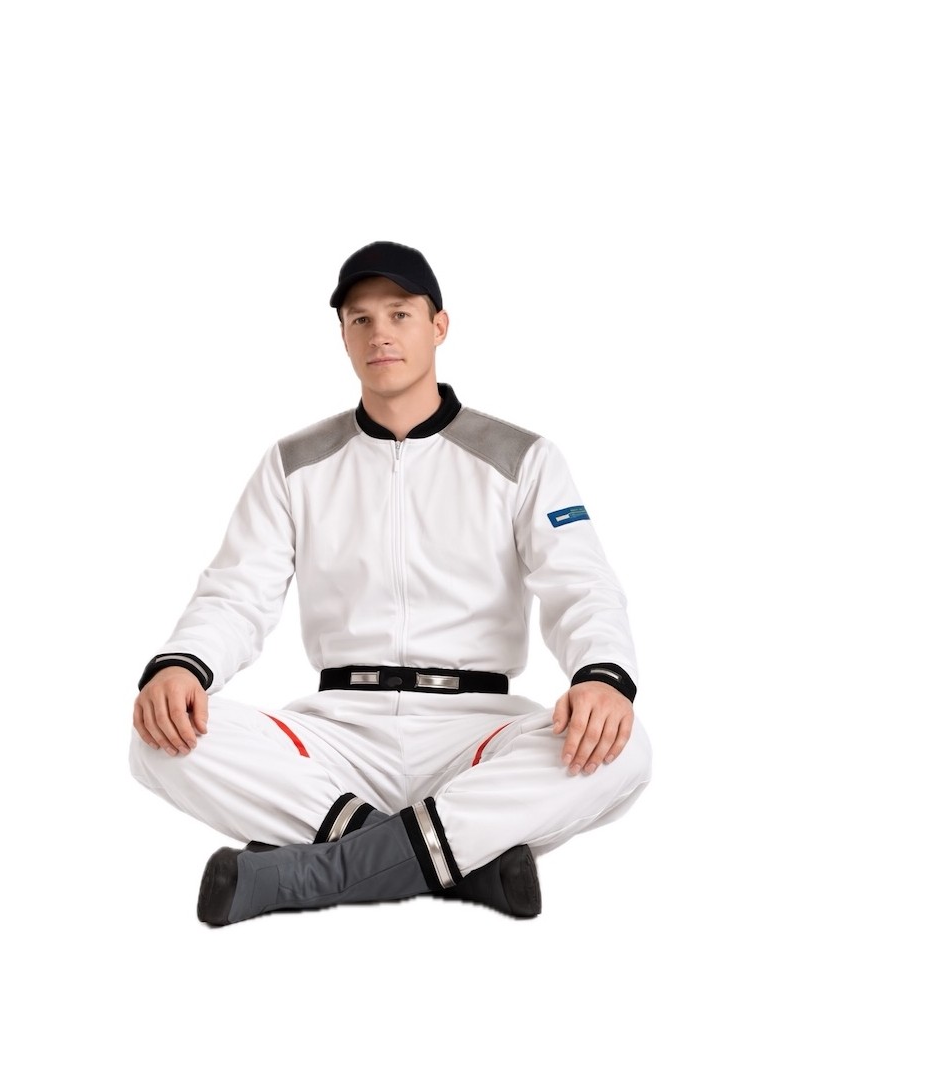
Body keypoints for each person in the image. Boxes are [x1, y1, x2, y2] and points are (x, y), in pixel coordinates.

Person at [130, 240, 652, 928]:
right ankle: (464, 866)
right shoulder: (295, 463)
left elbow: (581, 585)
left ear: (439, 325)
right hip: (338, 732)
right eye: (361, 319)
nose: (380, 333)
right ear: (344, 336)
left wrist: (601, 676)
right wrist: (182, 666)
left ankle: (321, 868)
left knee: (624, 748)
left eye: (400, 314)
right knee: (158, 737)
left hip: (476, 733)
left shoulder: (521, 457)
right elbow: (236, 593)